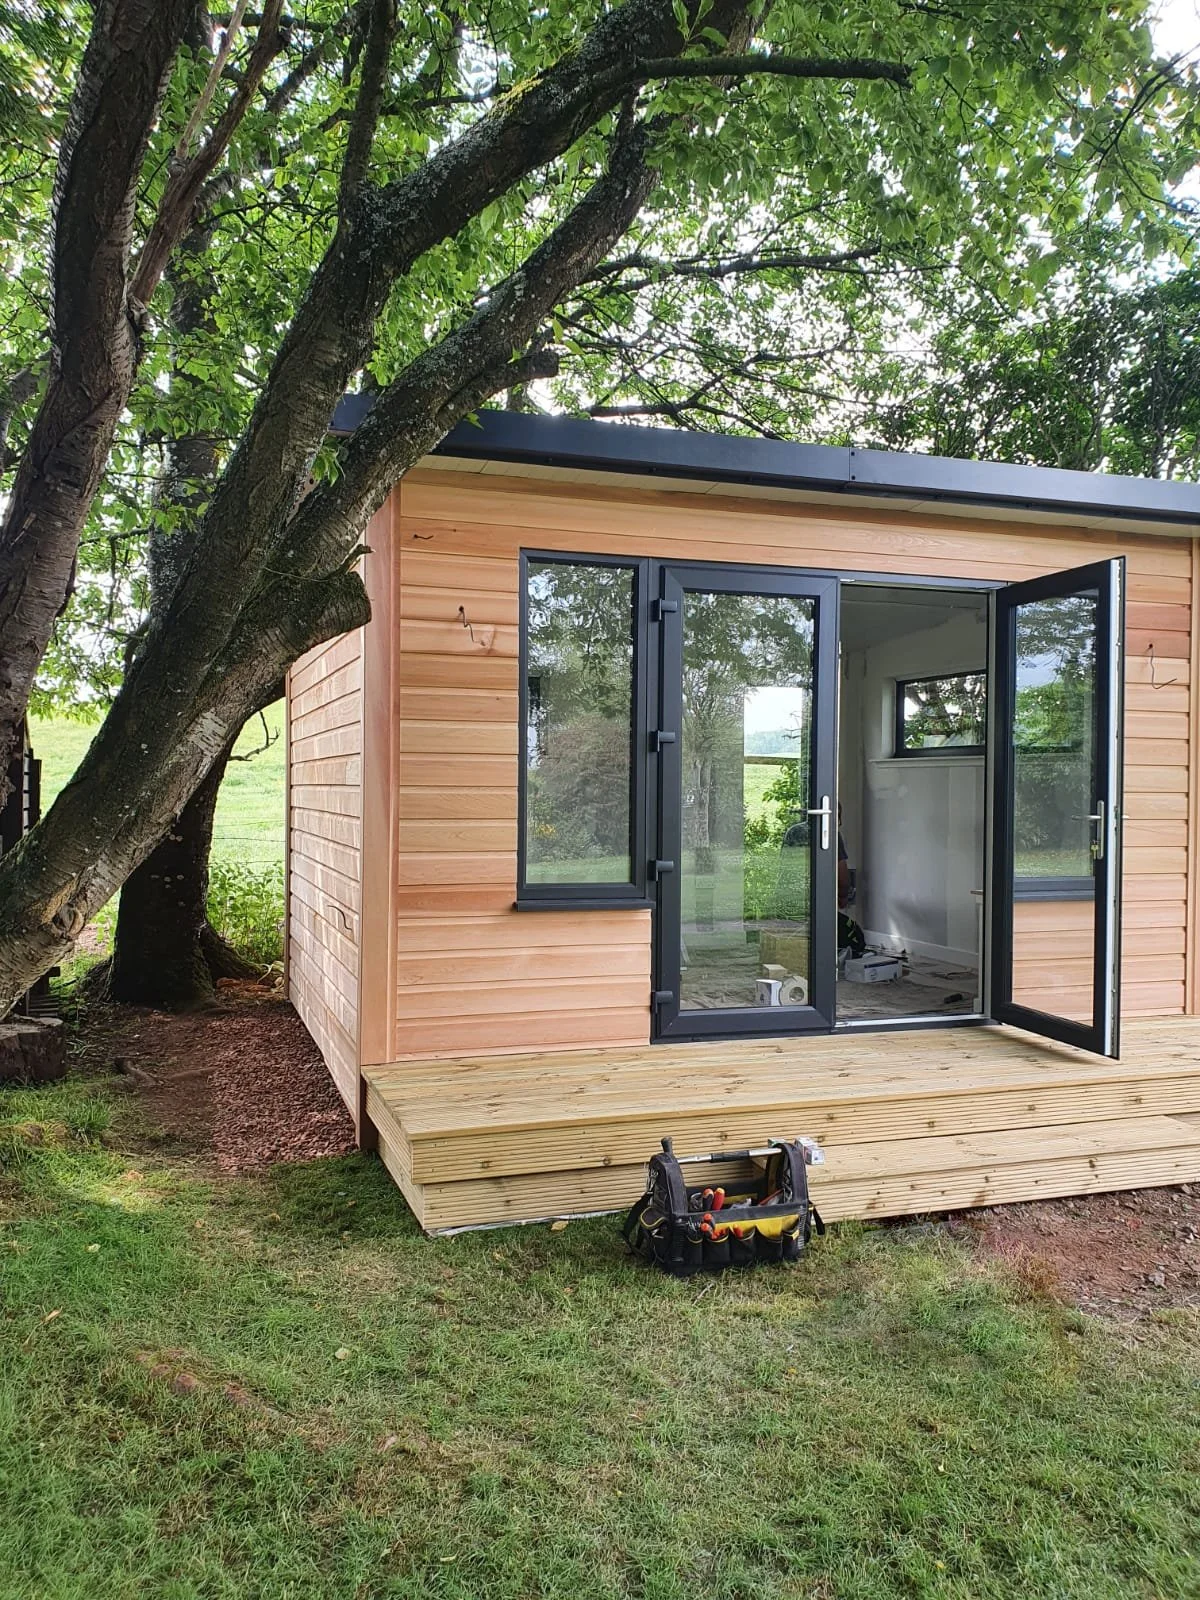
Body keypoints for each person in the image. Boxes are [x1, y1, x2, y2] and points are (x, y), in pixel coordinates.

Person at [837, 803, 866, 957]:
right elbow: (842, 878)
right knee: (857, 940)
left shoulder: (793, 832)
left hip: (790, 914)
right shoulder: (830, 835)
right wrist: (843, 896)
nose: (840, 823)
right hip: (817, 916)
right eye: (838, 816)